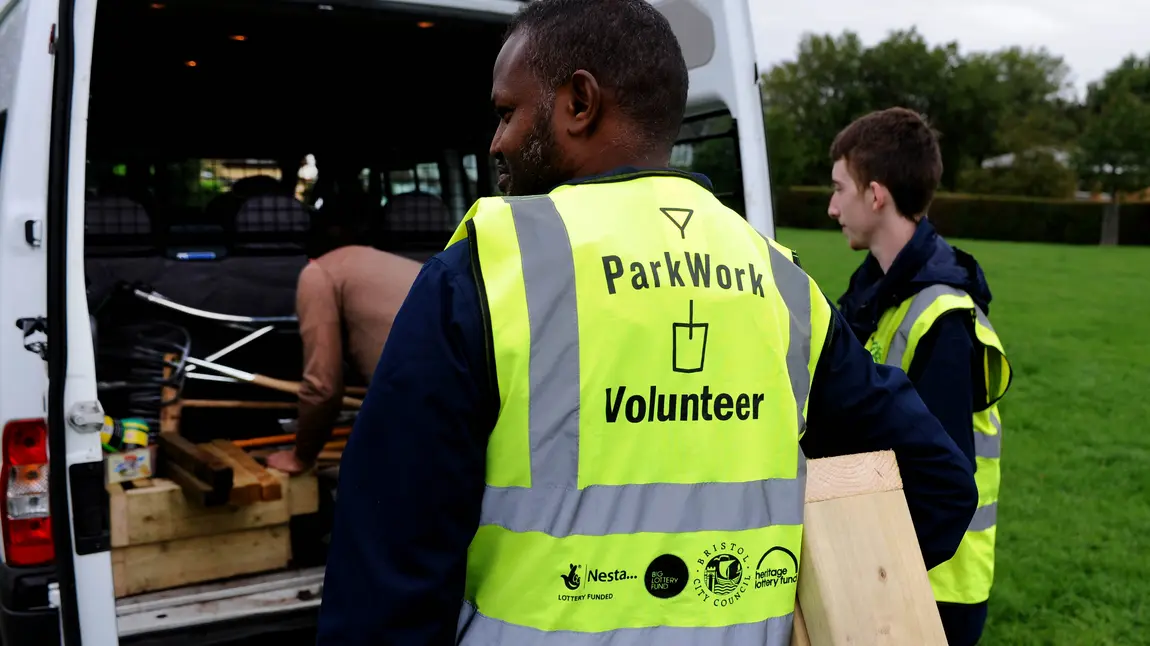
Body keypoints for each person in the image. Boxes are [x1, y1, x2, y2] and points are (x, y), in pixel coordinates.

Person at [316, 2, 978, 644]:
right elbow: (940, 486)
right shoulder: (780, 281)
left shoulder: (487, 270)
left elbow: (389, 574)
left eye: (507, 112)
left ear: (580, 102)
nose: (498, 142)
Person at [828, 107, 1012, 646]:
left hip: (933, 587)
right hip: (890, 568)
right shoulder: (876, 296)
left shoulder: (944, 317)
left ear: (876, 195)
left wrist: (878, 572)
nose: (832, 206)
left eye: (841, 189)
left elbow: (942, 487)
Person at [265, 193, 422, 475]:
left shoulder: (318, 272)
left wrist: (300, 457)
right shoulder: (404, 266)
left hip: (424, 417)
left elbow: (322, 388)